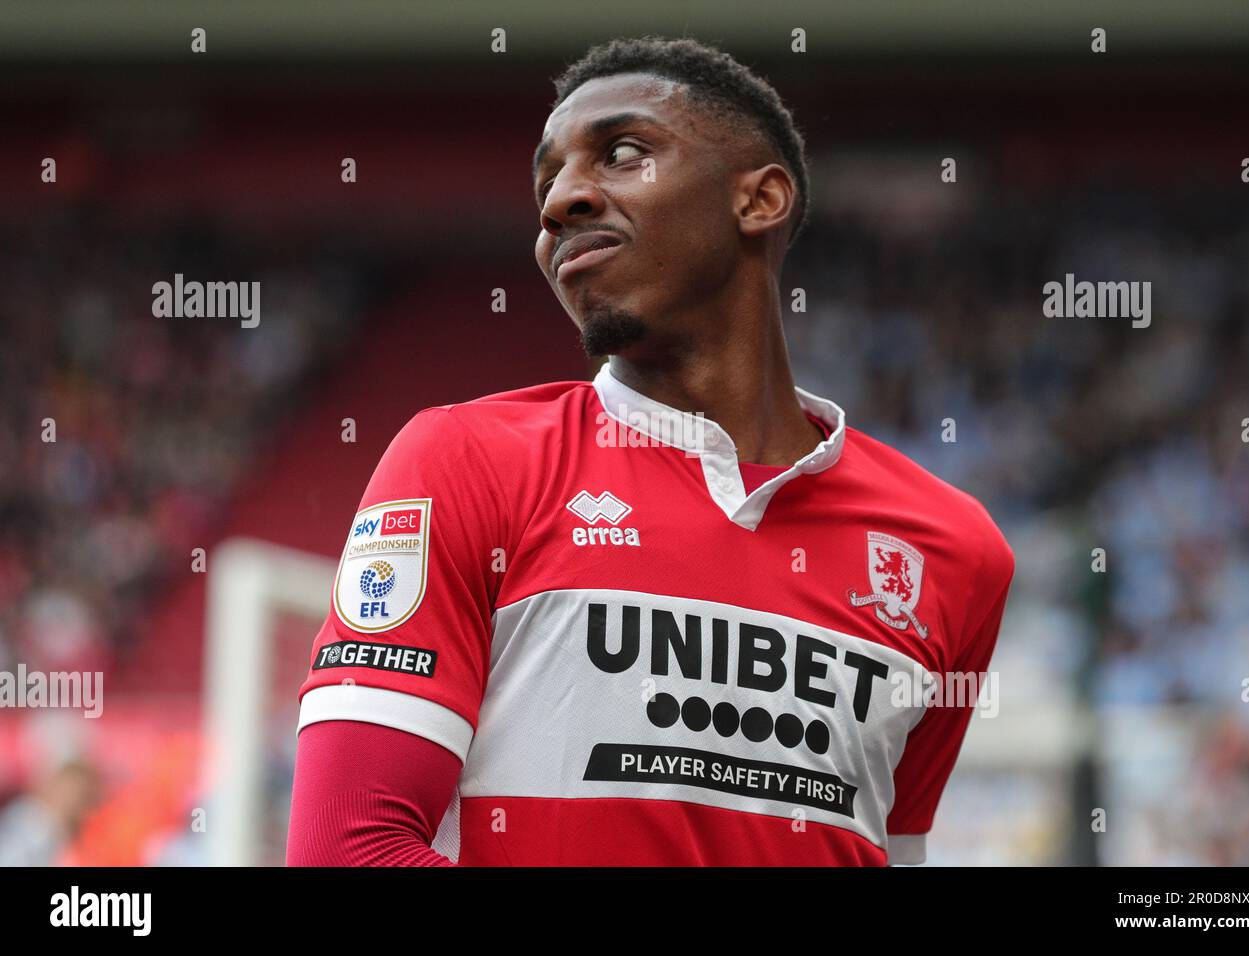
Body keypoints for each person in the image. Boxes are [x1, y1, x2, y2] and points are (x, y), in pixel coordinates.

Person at [286, 35, 1014, 866]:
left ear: (760, 198)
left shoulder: (955, 551)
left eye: (621, 153)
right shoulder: (464, 461)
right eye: (546, 184)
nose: (561, 200)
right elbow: (348, 850)